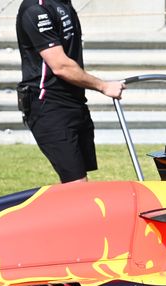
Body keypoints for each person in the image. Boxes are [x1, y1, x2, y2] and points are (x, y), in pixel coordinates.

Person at [16, 0, 125, 183]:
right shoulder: (36, 8)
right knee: (77, 185)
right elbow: (60, 66)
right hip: (48, 105)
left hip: (74, 103)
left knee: (77, 183)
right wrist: (103, 86)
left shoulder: (64, 3)